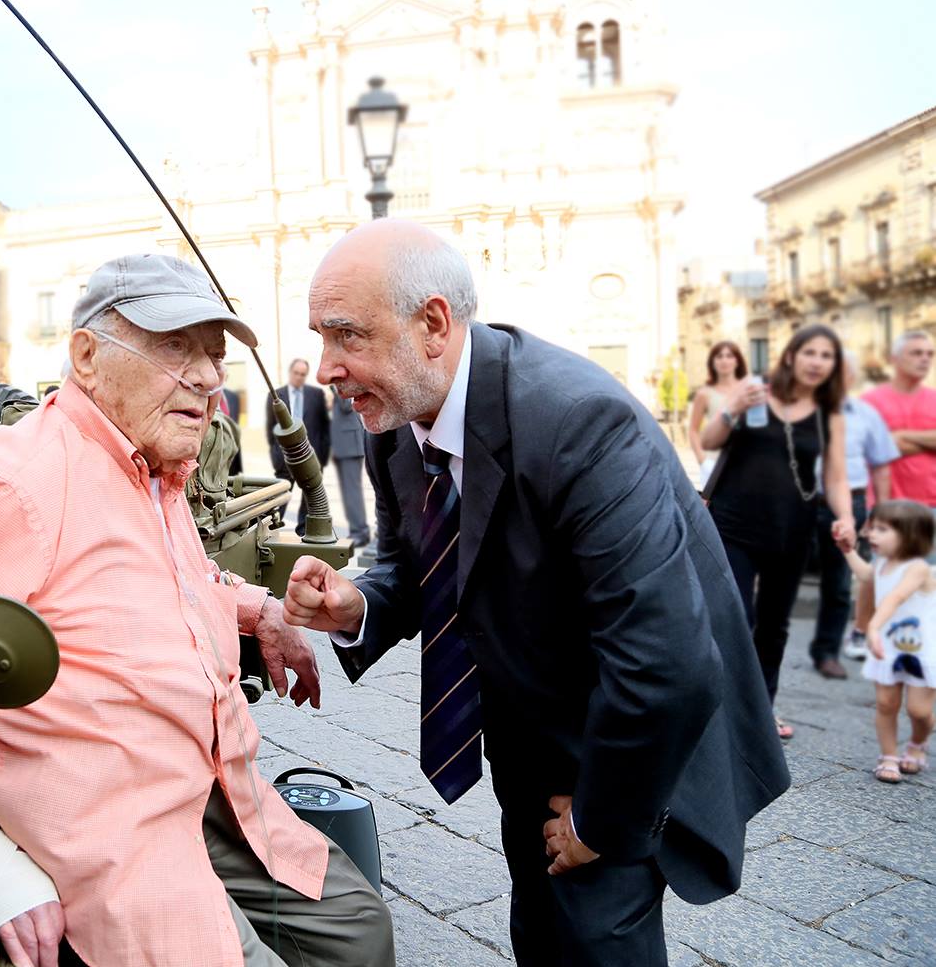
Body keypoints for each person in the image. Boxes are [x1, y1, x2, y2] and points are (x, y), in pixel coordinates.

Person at [282, 220, 788, 967]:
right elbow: (411, 558)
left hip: (622, 744)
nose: (327, 367)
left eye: (347, 336)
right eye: (321, 338)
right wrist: (361, 604)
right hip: (525, 735)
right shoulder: (396, 417)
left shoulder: (578, 419)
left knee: (594, 943)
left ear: (432, 324)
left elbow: (668, 662)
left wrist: (600, 820)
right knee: (543, 938)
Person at [0, 254, 393, 967]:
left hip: (207, 781)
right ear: (86, 357)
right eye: (174, 348)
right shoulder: (12, 489)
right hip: (106, 821)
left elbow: (173, 579)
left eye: (212, 357)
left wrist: (260, 610)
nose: (204, 376)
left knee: (359, 933)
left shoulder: (151, 470)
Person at [700, 325, 856, 738]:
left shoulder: (829, 415)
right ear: (790, 356)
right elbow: (709, 438)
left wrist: (846, 518)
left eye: (827, 356)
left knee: (773, 624)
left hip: (792, 530)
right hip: (734, 525)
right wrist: (731, 408)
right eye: (811, 353)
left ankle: (761, 708)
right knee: (735, 616)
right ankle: (719, 705)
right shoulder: (756, 394)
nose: (817, 362)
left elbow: (836, 477)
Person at [812, 350, 898, 676]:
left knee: (837, 581)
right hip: (798, 503)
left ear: (850, 377)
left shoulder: (865, 415)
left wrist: (882, 515)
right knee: (781, 578)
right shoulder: (799, 413)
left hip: (851, 503)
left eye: (841, 372)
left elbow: (882, 466)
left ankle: (827, 653)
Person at [841, 499, 936, 784]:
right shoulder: (881, 563)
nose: (871, 535)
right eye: (872, 528)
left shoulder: (918, 568)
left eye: (881, 530)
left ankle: (918, 744)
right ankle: (889, 755)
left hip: (923, 649)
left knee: (919, 711)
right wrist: (848, 551)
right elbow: (866, 575)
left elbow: (895, 597)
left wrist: (872, 626)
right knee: (885, 703)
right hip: (889, 646)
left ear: (909, 535)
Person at [863, 330, 936, 507]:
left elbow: (886, 446)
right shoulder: (869, 401)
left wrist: (901, 435)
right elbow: (870, 449)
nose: (925, 359)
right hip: (889, 507)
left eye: (930, 354)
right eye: (916, 353)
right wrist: (928, 440)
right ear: (893, 359)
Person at [266, 359, 330, 535]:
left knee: (310, 497)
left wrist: (322, 457)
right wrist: (276, 456)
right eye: (296, 373)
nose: (299, 377)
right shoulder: (276, 395)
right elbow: (270, 428)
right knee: (281, 495)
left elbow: (325, 426)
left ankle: (304, 529)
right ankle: (272, 526)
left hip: (311, 455)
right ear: (290, 372)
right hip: (285, 457)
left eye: (303, 374)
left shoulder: (316, 394)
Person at [688, 341, 747, 487]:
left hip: (746, 463)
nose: (724, 360)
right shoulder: (704, 394)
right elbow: (693, 430)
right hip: (714, 464)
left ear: (737, 361)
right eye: (719, 356)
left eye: (729, 356)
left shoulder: (748, 389)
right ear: (712, 362)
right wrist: (703, 461)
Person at [329, 393, 370, 547]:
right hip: (343, 444)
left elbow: (347, 406)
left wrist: (335, 387)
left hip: (350, 445)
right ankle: (357, 530)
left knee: (352, 491)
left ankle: (360, 531)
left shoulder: (344, 385)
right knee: (347, 492)